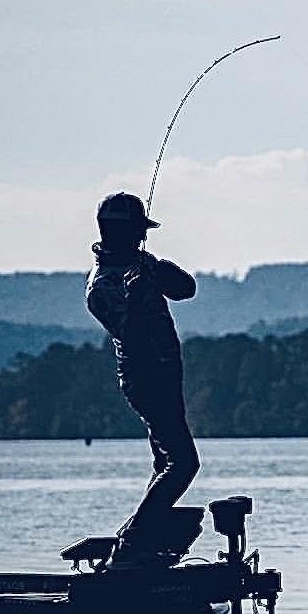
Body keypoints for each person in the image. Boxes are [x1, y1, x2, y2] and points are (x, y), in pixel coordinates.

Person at [85, 191, 199, 566]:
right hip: (145, 379)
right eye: (137, 231)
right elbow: (128, 335)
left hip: (167, 374)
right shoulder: (101, 286)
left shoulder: (142, 263)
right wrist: (134, 299)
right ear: (118, 232)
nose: (141, 238)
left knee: (164, 463)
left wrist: (158, 269)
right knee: (183, 464)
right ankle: (133, 541)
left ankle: (142, 539)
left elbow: (187, 289)